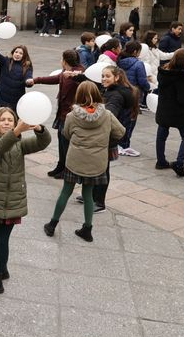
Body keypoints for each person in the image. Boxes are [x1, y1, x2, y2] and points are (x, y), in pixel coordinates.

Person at [0, 108, 50, 293]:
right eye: (3, 120)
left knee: (2, 238)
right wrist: (16, 132)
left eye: (11, 120)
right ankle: (2, 269)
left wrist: (39, 129)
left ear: (15, 123)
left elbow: (42, 143)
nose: (7, 122)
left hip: (12, 199)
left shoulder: (19, 143)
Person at [43, 82, 125, 242]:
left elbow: (66, 133)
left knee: (66, 192)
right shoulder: (107, 115)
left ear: (78, 96)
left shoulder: (71, 116)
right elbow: (121, 132)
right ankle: (87, 229)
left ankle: (52, 224)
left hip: (75, 160)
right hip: (96, 162)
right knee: (88, 194)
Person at [26, 50, 85, 178]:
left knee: (67, 142)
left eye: (61, 58)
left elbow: (86, 81)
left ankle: (67, 169)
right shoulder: (65, 72)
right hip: (62, 112)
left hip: (71, 115)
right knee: (61, 140)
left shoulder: (78, 72)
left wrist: (77, 77)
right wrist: (35, 80)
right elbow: (55, 78)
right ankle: (60, 165)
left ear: (65, 61)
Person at [85, 66, 137, 212]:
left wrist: (92, 111)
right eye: (102, 76)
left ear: (117, 77)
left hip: (107, 137)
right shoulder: (111, 90)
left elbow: (109, 114)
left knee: (102, 169)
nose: (103, 79)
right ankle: (91, 195)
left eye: (107, 76)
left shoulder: (116, 95)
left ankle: (99, 202)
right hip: (104, 135)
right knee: (95, 166)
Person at [155, 49, 184, 177]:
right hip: (178, 111)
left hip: (164, 107)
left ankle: (161, 161)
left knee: (162, 133)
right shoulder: (182, 76)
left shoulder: (163, 71)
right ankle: (179, 163)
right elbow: (182, 99)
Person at [116, 42, 149, 157]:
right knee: (130, 120)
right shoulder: (138, 64)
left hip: (120, 93)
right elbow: (143, 81)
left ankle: (118, 144)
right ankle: (124, 145)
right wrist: (149, 88)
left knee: (120, 119)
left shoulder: (119, 61)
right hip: (134, 94)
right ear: (135, 52)